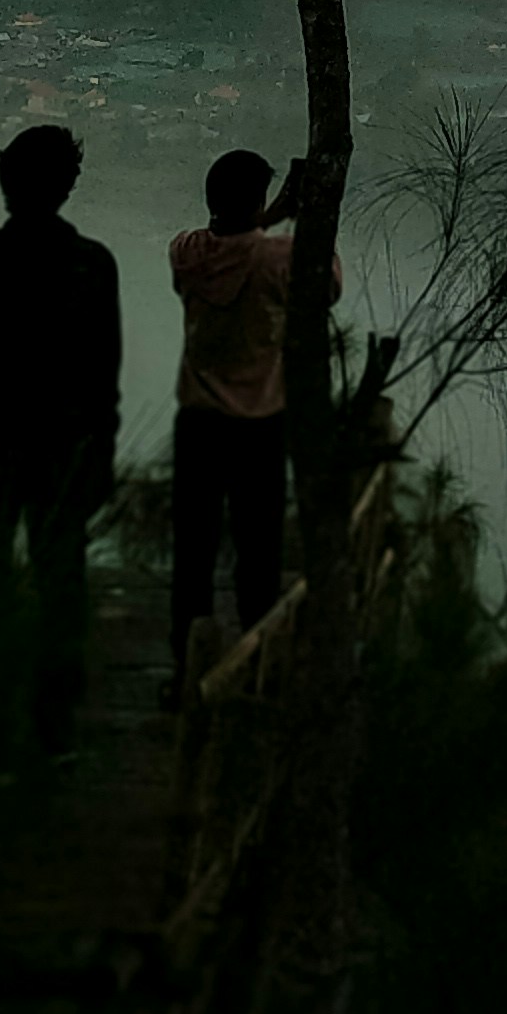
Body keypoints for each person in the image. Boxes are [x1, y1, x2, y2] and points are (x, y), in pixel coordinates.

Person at [0, 124, 121, 756]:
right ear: (68, 186)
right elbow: (105, 376)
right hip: (66, 449)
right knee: (62, 584)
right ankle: (54, 725)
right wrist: (100, 453)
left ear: (4, 181)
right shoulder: (91, 266)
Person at [167, 150, 320, 694]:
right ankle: (257, 667)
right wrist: (294, 215)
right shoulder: (281, 259)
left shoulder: (186, 252)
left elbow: (230, 239)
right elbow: (327, 285)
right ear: (259, 201)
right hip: (260, 426)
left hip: (199, 424)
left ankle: (187, 667)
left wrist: (270, 212)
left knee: (194, 552)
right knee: (259, 556)